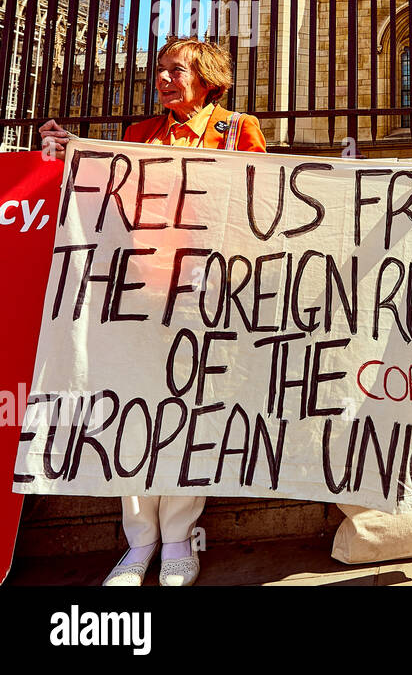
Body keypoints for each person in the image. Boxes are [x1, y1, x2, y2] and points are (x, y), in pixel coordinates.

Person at [39, 37, 266, 586]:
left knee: (190, 413)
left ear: (207, 76)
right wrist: (72, 150)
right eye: (159, 70)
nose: (164, 78)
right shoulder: (141, 136)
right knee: (133, 408)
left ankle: (178, 537)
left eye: (176, 69)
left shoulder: (238, 130)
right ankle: (138, 540)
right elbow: (112, 197)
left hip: (207, 291)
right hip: (140, 291)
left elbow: (261, 205)